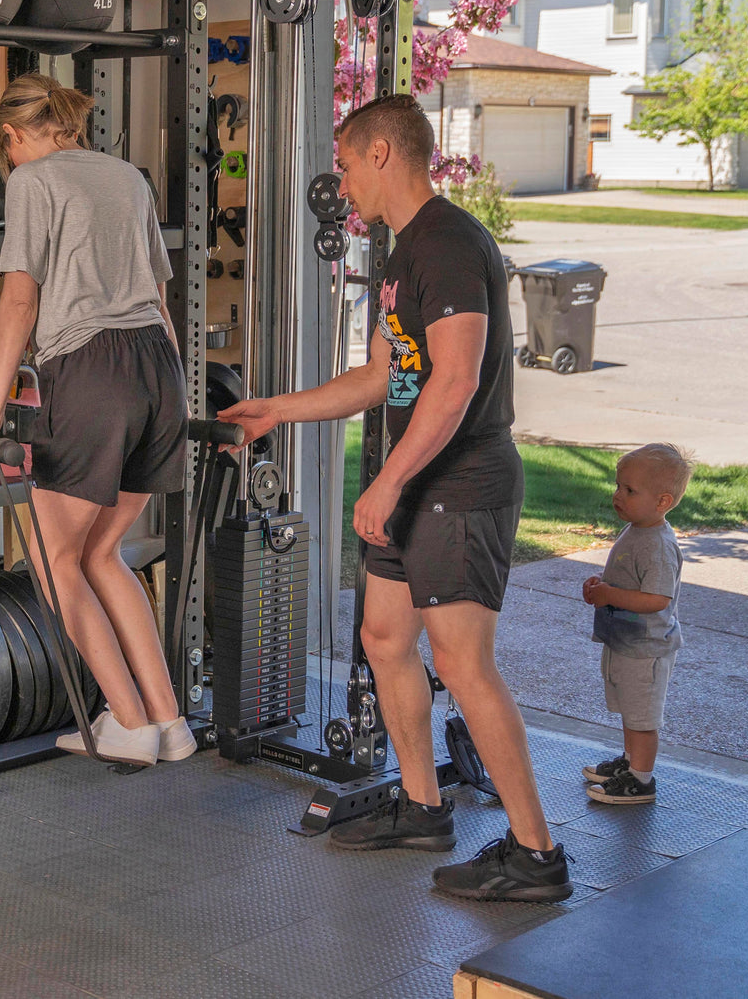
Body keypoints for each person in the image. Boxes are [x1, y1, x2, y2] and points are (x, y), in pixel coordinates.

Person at [218, 94, 572, 902]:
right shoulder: (400, 255)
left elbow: (454, 384)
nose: (340, 181)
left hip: (460, 481)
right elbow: (385, 376)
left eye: (344, 163)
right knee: (383, 638)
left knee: (461, 661)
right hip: (418, 479)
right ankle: (422, 806)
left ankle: (535, 855)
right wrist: (278, 408)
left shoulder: (447, 244)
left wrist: (388, 479)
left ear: (382, 153)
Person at [0, 73, 194, 769]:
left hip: (92, 372)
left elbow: (19, 304)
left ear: (12, 137)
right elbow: (156, 295)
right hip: (159, 370)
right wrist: (173, 398)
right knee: (101, 553)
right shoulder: (127, 178)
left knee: (55, 561)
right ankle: (169, 722)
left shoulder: (32, 182)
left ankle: (126, 722)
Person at [581, 443, 690, 805]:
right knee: (630, 708)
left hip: (646, 650)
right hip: (626, 643)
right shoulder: (638, 530)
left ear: (662, 502)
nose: (618, 496)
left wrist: (610, 595)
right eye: (618, 486)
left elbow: (658, 600)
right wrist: (603, 584)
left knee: (642, 717)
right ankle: (630, 763)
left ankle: (641, 780)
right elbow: (633, 583)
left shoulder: (657, 545)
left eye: (629, 490)